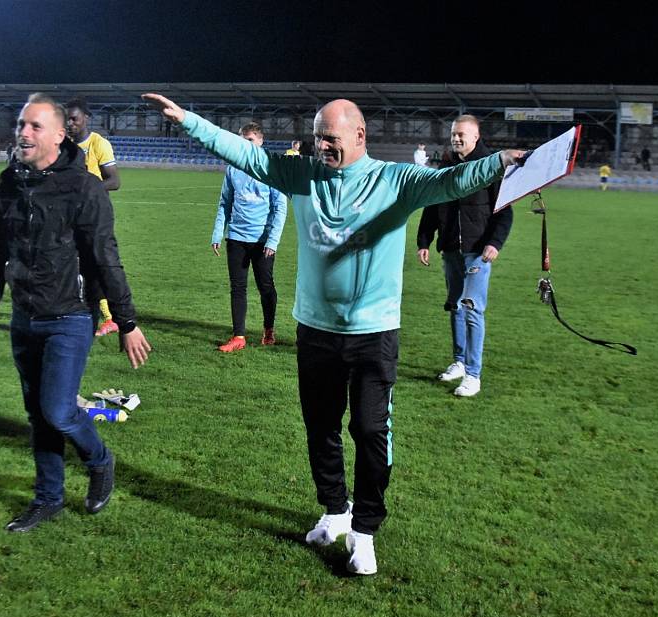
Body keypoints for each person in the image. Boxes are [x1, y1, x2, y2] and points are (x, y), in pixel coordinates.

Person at [142, 92, 526, 575]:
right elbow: (244, 153)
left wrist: (503, 161)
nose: (321, 145)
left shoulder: (396, 180)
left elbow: (454, 180)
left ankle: (364, 530)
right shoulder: (302, 174)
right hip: (316, 331)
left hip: (373, 332)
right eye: (318, 136)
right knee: (320, 427)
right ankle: (334, 510)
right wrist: (189, 121)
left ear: (359, 136)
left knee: (369, 430)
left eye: (331, 138)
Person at [0, 93, 152, 533]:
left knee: (57, 410)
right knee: (38, 415)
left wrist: (126, 322)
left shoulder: (84, 187)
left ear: (60, 134)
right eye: (21, 124)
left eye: (35, 126)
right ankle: (48, 498)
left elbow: (104, 257)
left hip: (70, 315)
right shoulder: (11, 182)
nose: (23, 133)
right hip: (25, 314)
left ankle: (99, 459)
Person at [416, 115, 514, 398]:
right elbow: (433, 205)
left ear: (475, 136)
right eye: (453, 134)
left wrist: (495, 243)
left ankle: (473, 374)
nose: (456, 138)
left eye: (461, 134)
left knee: (472, 308)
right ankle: (459, 362)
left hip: (478, 250)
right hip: (450, 249)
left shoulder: (492, 166)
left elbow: (505, 211)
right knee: (455, 306)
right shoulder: (447, 165)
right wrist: (425, 239)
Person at [212, 122, 287, 352]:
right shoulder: (233, 168)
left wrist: (273, 241)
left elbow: (280, 207)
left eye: (250, 140)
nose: (246, 145)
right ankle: (239, 336)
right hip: (236, 237)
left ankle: (268, 329)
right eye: (242, 140)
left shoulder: (271, 169)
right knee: (238, 287)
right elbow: (225, 202)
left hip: (263, 240)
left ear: (260, 141)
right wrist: (218, 231)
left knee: (265, 285)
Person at [66, 96, 122, 337]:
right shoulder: (63, 145)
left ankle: (111, 318)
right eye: (66, 119)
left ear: (86, 118)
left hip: (94, 216)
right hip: (68, 215)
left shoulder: (99, 143)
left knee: (97, 265)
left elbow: (114, 180)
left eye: (74, 118)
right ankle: (85, 314)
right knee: (72, 265)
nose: (70, 123)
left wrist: (88, 188)